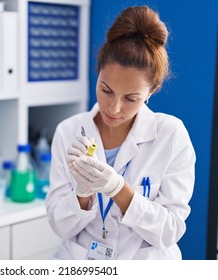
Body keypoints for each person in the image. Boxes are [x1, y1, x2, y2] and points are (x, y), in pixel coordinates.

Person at [45, 6, 196, 260]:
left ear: (152, 91)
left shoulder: (171, 135)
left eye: (131, 98)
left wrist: (117, 188)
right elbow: (60, 226)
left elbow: (170, 230)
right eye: (106, 90)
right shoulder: (69, 131)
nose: (114, 108)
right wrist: (82, 194)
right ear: (98, 73)